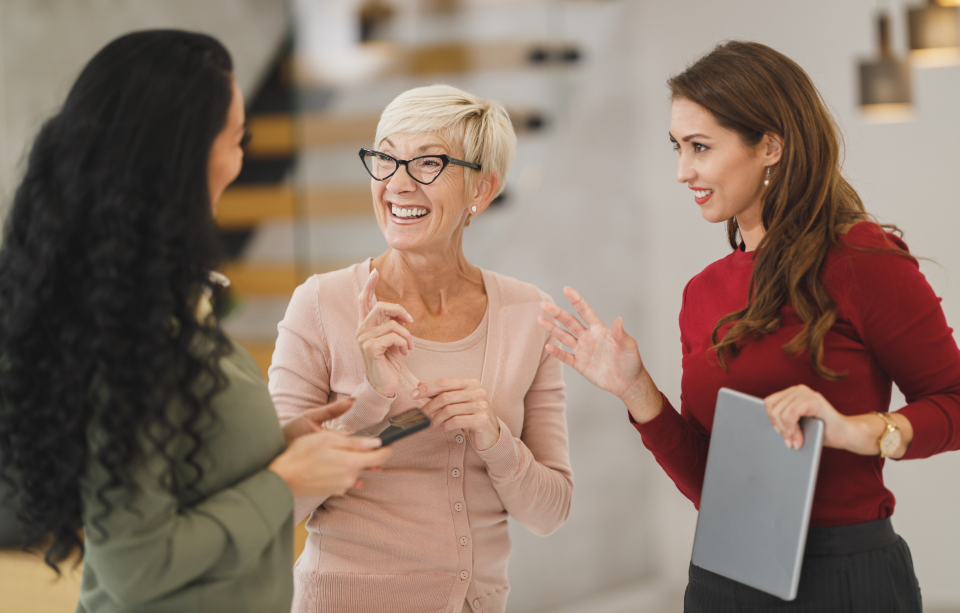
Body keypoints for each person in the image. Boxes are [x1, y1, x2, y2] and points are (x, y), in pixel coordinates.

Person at [538, 40, 960, 612]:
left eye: (700, 147)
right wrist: (635, 390)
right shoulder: (703, 292)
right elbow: (712, 486)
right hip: (724, 579)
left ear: (770, 146)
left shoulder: (861, 258)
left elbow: (953, 399)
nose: (683, 170)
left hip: (844, 579)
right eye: (677, 147)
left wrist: (858, 431)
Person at [0, 30, 392, 613]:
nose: (241, 160)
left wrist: (272, 448)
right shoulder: (133, 335)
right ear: (181, 159)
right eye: (236, 139)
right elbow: (137, 565)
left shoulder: (143, 304)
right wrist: (285, 482)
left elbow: (168, 470)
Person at [269, 84, 574, 613]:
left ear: (482, 188)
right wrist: (370, 400)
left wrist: (493, 437)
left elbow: (550, 513)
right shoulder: (320, 304)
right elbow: (274, 504)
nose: (398, 184)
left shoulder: (529, 314)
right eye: (386, 159)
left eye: (429, 163)